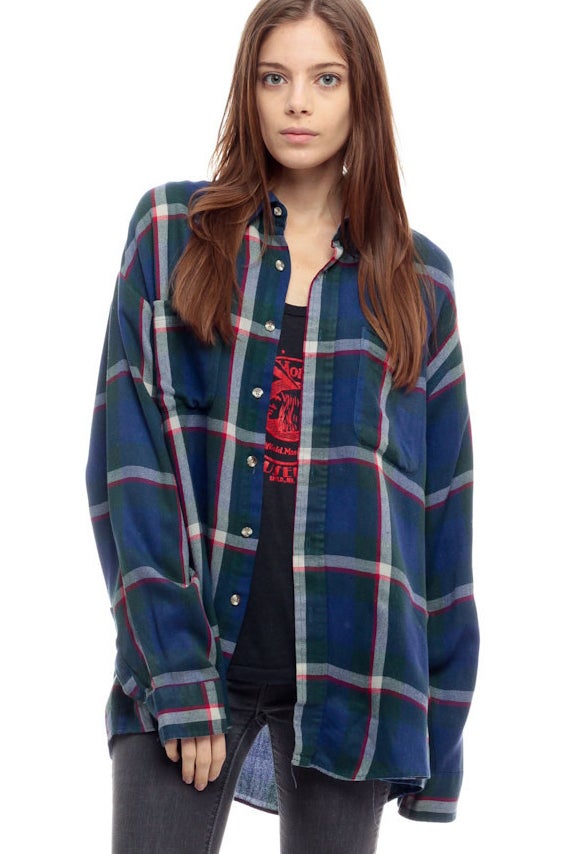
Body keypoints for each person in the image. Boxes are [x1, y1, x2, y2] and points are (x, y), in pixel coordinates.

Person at [86, 0, 479, 851]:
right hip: (191, 660)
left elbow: (440, 518)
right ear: (249, 90)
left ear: (361, 95)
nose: (297, 102)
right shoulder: (171, 235)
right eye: (275, 78)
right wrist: (177, 675)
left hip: (353, 683)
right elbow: (129, 471)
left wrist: (438, 738)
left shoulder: (420, 283)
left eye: (324, 79)